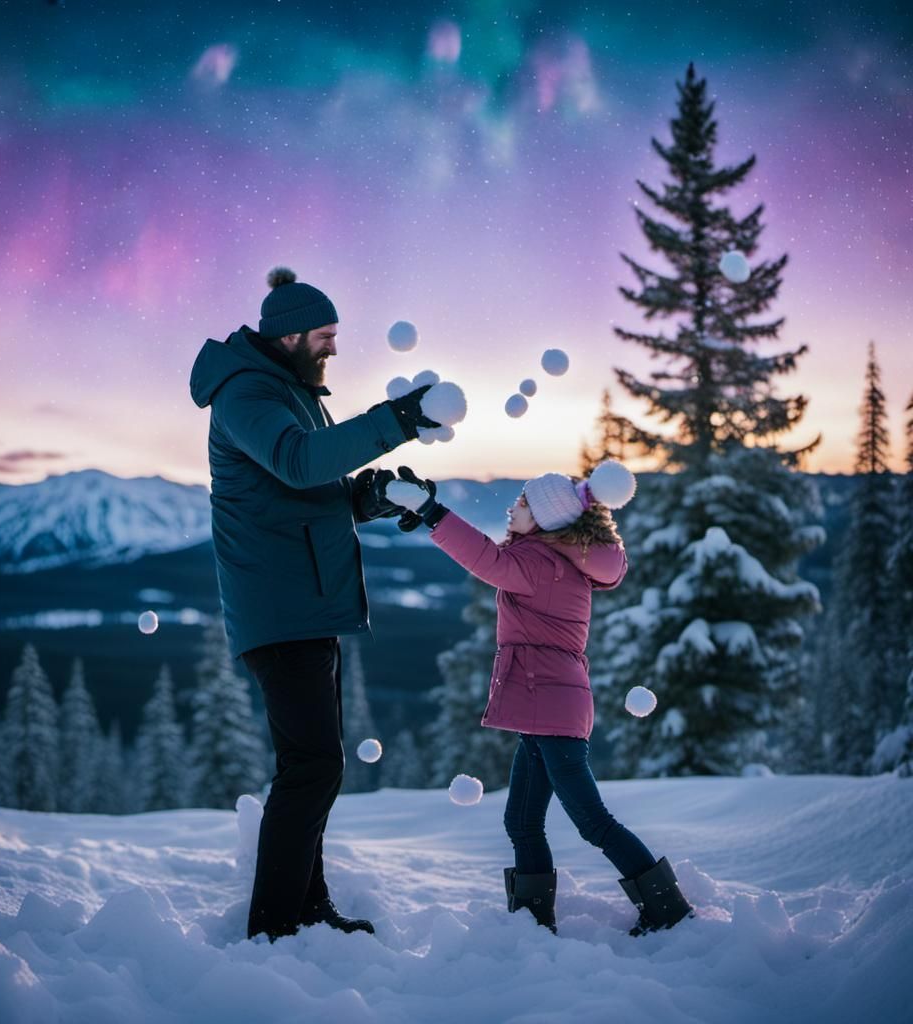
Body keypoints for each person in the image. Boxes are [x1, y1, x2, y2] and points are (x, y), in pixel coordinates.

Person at [189, 267, 436, 942]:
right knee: (314, 767)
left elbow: (319, 489)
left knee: (316, 768)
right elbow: (299, 463)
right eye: (325, 336)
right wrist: (399, 420)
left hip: (308, 604)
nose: (333, 348)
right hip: (278, 606)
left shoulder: (292, 392)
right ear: (290, 335)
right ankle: (272, 925)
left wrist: (381, 495)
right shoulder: (245, 395)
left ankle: (305, 906)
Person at [395, 462, 693, 936]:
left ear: (547, 519)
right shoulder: (551, 558)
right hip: (545, 707)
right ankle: (532, 924)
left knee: (592, 822)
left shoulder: (540, 564)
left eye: (525, 502)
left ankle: (668, 912)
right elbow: (494, 556)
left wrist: (433, 512)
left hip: (551, 708)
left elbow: (485, 561)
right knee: (522, 819)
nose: (514, 506)